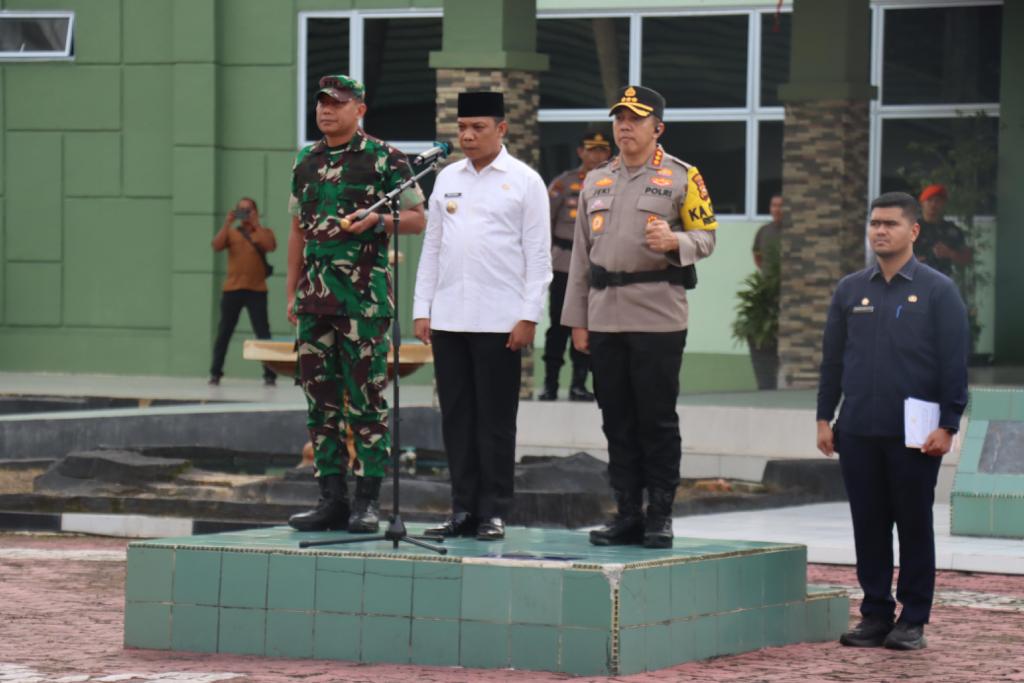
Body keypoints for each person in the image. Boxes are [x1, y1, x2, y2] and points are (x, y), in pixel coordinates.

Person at [562, 85, 718, 549]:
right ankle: (627, 512)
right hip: (604, 316)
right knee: (616, 418)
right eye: (620, 119)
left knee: (656, 419)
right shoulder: (597, 180)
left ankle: (660, 515)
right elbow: (580, 260)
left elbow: (706, 237)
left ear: (658, 128)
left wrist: (677, 244)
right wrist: (577, 320)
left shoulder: (682, 177)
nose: (625, 126)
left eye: (635, 119)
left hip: (657, 314)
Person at [816, 191, 969, 651]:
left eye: (891, 224)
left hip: (916, 434)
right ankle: (875, 614)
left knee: (913, 523)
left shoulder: (938, 290)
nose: (880, 231)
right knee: (869, 524)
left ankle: (913, 619)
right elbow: (832, 361)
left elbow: (953, 362)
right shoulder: (850, 289)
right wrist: (825, 417)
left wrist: (949, 423)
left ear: (913, 231)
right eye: (875, 224)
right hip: (858, 428)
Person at [285, 74, 426, 533]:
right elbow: (296, 231)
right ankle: (331, 499)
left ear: (359, 110)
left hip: (363, 303)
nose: (327, 110)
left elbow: (416, 219)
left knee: (365, 403)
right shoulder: (307, 160)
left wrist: (377, 220)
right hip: (314, 300)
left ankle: (367, 502)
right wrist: (292, 291)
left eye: (338, 103)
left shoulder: (386, 158)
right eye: (322, 103)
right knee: (319, 405)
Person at [413, 91, 552, 541]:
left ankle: (493, 511)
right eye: (463, 128)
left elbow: (538, 257)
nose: (468, 136)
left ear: (502, 129)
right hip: (450, 318)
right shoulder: (448, 178)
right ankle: (462, 509)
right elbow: (432, 248)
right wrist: (422, 308)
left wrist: (528, 315)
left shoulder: (525, 181)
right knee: (456, 417)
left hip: (500, 321)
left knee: (494, 420)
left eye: (479, 128)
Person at [538, 129, 612, 402]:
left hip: (596, 265)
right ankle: (550, 384)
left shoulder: (612, 183)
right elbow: (544, 223)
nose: (597, 155)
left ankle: (579, 384)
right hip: (563, 263)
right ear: (580, 152)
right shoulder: (564, 183)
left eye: (602, 150)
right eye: (591, 149)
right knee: (558, 325)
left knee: (589, 325)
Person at [209, 197, 277, 386]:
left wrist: (256, 224)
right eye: (241, 209)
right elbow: (216, 245)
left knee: (263, 332)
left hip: (257, 290)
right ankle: (215, 372)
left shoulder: (263, 232)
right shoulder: (231, 233)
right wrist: (226, 223)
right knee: (224, 331)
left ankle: (270, 374)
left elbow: (270, 246)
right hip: (233, 289)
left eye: (248, 210)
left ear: (255, 211)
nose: (244, 213)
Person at [913, 184, 972, 277]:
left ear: (943, 204)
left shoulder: (952, 230)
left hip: (942, 282)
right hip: (916, 282)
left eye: (937, 201)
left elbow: (967, 259)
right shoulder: (911, 229)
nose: (933, 205)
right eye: (929, 200)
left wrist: (950, 253)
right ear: (922, 203)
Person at [752, 194, 783, 271]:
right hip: (768, 280)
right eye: (774, 205)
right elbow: (756, 254)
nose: (777, 209)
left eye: (780, 206)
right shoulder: (763, 231)